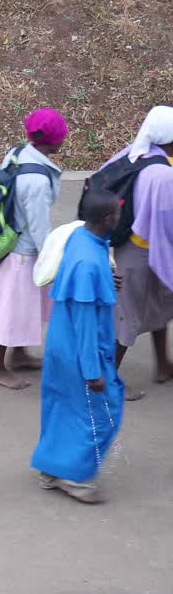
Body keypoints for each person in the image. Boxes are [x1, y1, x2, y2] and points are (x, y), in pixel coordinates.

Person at [31, 189, 125, 504]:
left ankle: (49, 469)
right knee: (101, 411)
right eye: (117, 212)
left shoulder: (81, 238)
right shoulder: (88, 263)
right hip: (80, 350)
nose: (120, 215)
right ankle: (73, 476)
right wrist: (92, 371)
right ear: (106, 218)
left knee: (62, 407)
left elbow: (82, 283)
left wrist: (105, 282)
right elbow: (85, 322)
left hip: (62, 342)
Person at [0, 108, 67, 389]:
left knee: (23, 307)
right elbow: (40, 228)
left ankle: (18, 355)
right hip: (21, 253)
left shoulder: (19, 152)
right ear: (53, 141)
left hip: (10, 244)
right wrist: (53, 260)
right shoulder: (38, 181)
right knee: (10, 309)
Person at [108, 105, 173, 394]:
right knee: (127, 317)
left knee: (161, 303)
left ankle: (162, 364)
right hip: (143, 251)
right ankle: (106, 383)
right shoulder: (161, 174)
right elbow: (165, 224)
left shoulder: (133, 152)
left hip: (128, 243)